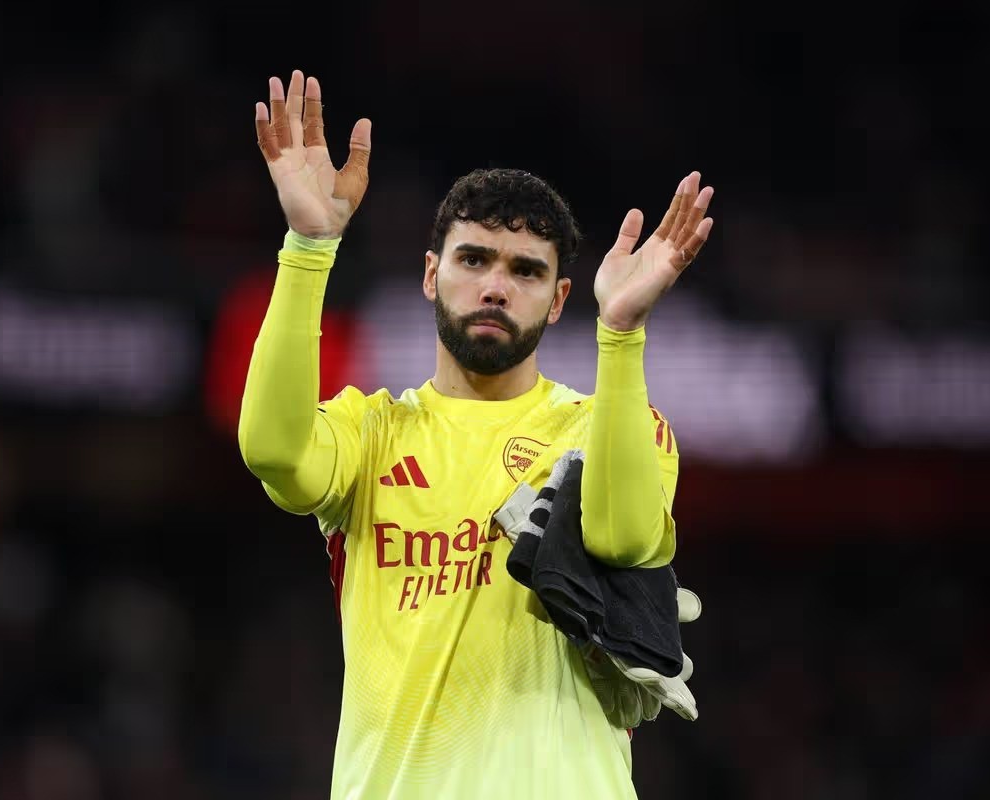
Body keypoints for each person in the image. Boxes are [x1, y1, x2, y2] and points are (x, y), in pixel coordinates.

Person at [238, 69, 714, 800]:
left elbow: (621, 539)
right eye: (473, 259)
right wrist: (308, 246)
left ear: (558, 300)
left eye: (525, 271)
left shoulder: (608, 428)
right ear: (432, 275)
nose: (495, 286)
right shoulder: (370, 432)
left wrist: (621, 334)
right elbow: (272, 452)